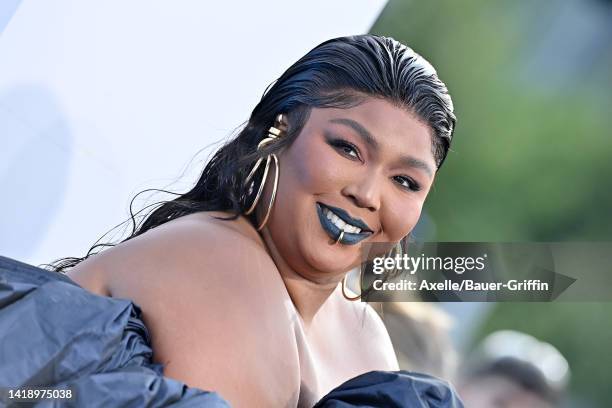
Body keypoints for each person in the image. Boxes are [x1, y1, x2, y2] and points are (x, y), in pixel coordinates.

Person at [35, 34, 456, 406]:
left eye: (404, 180)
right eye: (347, 149)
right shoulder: (216, 258)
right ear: (279, 132)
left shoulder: (366, 334)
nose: (366, 194)